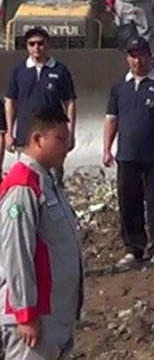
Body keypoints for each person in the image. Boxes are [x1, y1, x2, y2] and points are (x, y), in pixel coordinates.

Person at [0, 108, 83, 360]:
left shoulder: (46, 181)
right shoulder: (24, 186)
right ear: (38, 139)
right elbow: (17, 252)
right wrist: (25, 314)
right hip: (36, 321)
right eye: (59, 139)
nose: (67, 147)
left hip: (57, 314)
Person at [102, 36, 154, 266]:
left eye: (142, 55)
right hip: (127, 155)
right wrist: (107, 148)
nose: (138, 60)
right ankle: (133, 247)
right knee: (129, 202)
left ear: (149, 56)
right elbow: (111, 120)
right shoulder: (119, 88)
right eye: (133, 55)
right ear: (128, 58)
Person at [4, 27, 77, 185]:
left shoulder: (60, 70)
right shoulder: (19, 71)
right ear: (27, 46)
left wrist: (70, 132)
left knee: (53, 183)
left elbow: (70, 102)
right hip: (26, 136)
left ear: (48, 45)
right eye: (32, 44)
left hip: (52, 138)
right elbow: (11, 101)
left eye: (40, 43)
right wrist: (9, 132)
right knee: (27, 180)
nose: (36, 47)